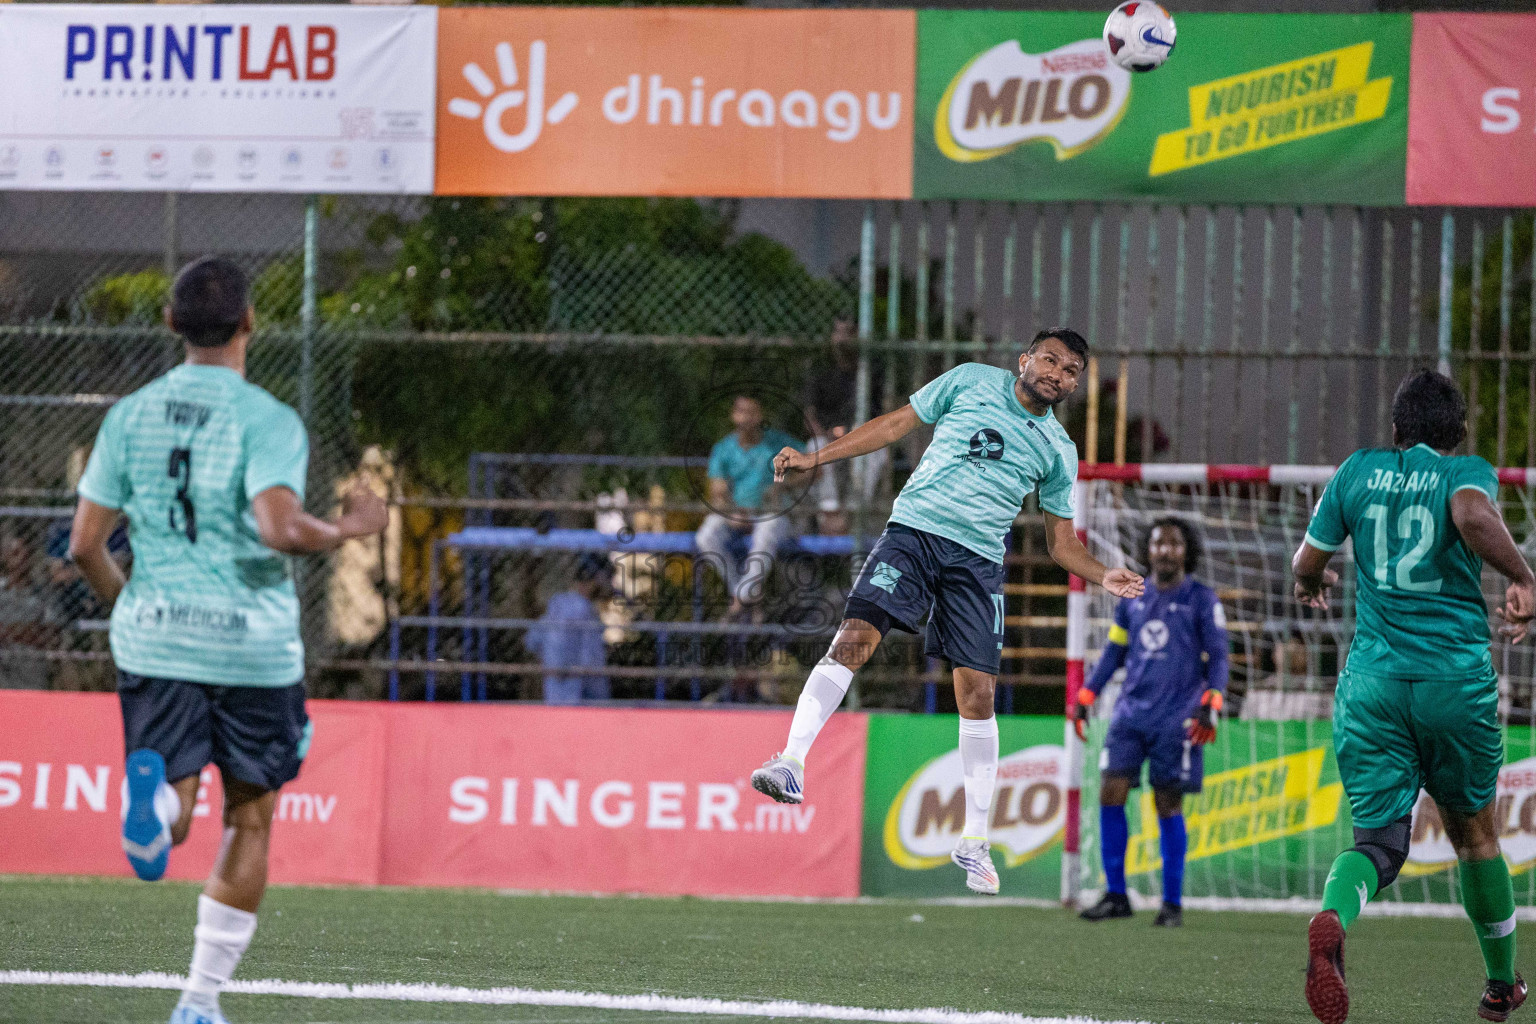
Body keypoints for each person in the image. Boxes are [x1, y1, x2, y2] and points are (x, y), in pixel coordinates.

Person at [68, 256, 387, 1024]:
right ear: (250, 323)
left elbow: (84, 545)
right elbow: (278, 525)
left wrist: (132, 606)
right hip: (252, 647)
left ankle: (158, 804)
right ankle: (199, 1001)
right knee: (249, 816)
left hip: (158, 641)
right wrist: (350, 526)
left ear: (171, 325)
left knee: (173, 799)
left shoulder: (129, 416)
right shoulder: (266, 418)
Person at [750, 329, 1144, 895]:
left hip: (978, 564)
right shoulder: (970, 380)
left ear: (1076, 383)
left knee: (977, 692)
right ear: (1025, 359)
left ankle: (974, 839)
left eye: (1072, 369)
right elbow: (895, 425)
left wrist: (1103, 572)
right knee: (856, 639)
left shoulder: (1058, 450)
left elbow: (1061, 542)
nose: (1059, 373)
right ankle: (791, 761)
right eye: (1050, 360)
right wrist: (818, 457)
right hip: (913, 534)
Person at [1293, 369, 1533, 1024]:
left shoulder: (1357, 471)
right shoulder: (1463, 474)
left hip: (1371, 687)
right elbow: (1473, 515)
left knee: (1377, 842)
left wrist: (1312, 584)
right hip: (1452, 683)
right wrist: (1522, 575)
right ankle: (1500, 986)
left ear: (1395, 432)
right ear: (1458, 435)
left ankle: (1335, 918)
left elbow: (1304, 564)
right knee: (1476, 835)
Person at [1074, 516, 1228, 928]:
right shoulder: (1133, 598)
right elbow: (1113, 653)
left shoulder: (1202, 599)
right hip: (1129, 715)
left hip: (1176, 719)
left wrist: (1212, 701)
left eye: (1174, 544)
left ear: (1186, 551)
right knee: (1110, 792)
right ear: (1149, 549)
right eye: (1159, 543)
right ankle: (1116, 895)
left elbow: (1220, 657)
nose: (1165, 550)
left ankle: (1172, 903)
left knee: (1166, 803)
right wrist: (1088, 693)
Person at [695, 395, 804, 618]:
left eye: (752, 413)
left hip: (772, 513)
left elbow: (815, 468)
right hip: (735, 512)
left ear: (760, 415)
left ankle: (741, 597)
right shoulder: (723, 449)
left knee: (767, 533)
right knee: (706, 536)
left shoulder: (777, 444)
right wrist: (731, 512)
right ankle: (745, 592)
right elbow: (718, 490)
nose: (747, 419)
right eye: (742, 412)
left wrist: (783, 486)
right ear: (734, 416)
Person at [803, 317, 887, 534]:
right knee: (816, 446)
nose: (842, 339)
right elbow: (810, 414)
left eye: (848, 332)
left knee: (878, 452)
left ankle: (852, 514)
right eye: (838, 332)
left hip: (862, 435)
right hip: (830, 436)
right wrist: (828, 433)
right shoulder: (821, 369)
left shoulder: (873, 370)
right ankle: (830, 514)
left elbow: (885, 412)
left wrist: (855, 434)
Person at [525, 553, 612, 705]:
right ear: (595, 580)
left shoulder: (557, 603)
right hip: (581, 692)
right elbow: (591, 659)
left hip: (556, 690)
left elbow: (532, 641)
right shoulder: (584, 610)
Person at [0, 531, 58, 689]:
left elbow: (49, 635)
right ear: (5, 557)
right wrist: (26, 630)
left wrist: (7, 631)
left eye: (25, 554)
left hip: (31, 670)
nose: (20, 560)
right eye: (14, 554)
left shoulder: (44, 593)